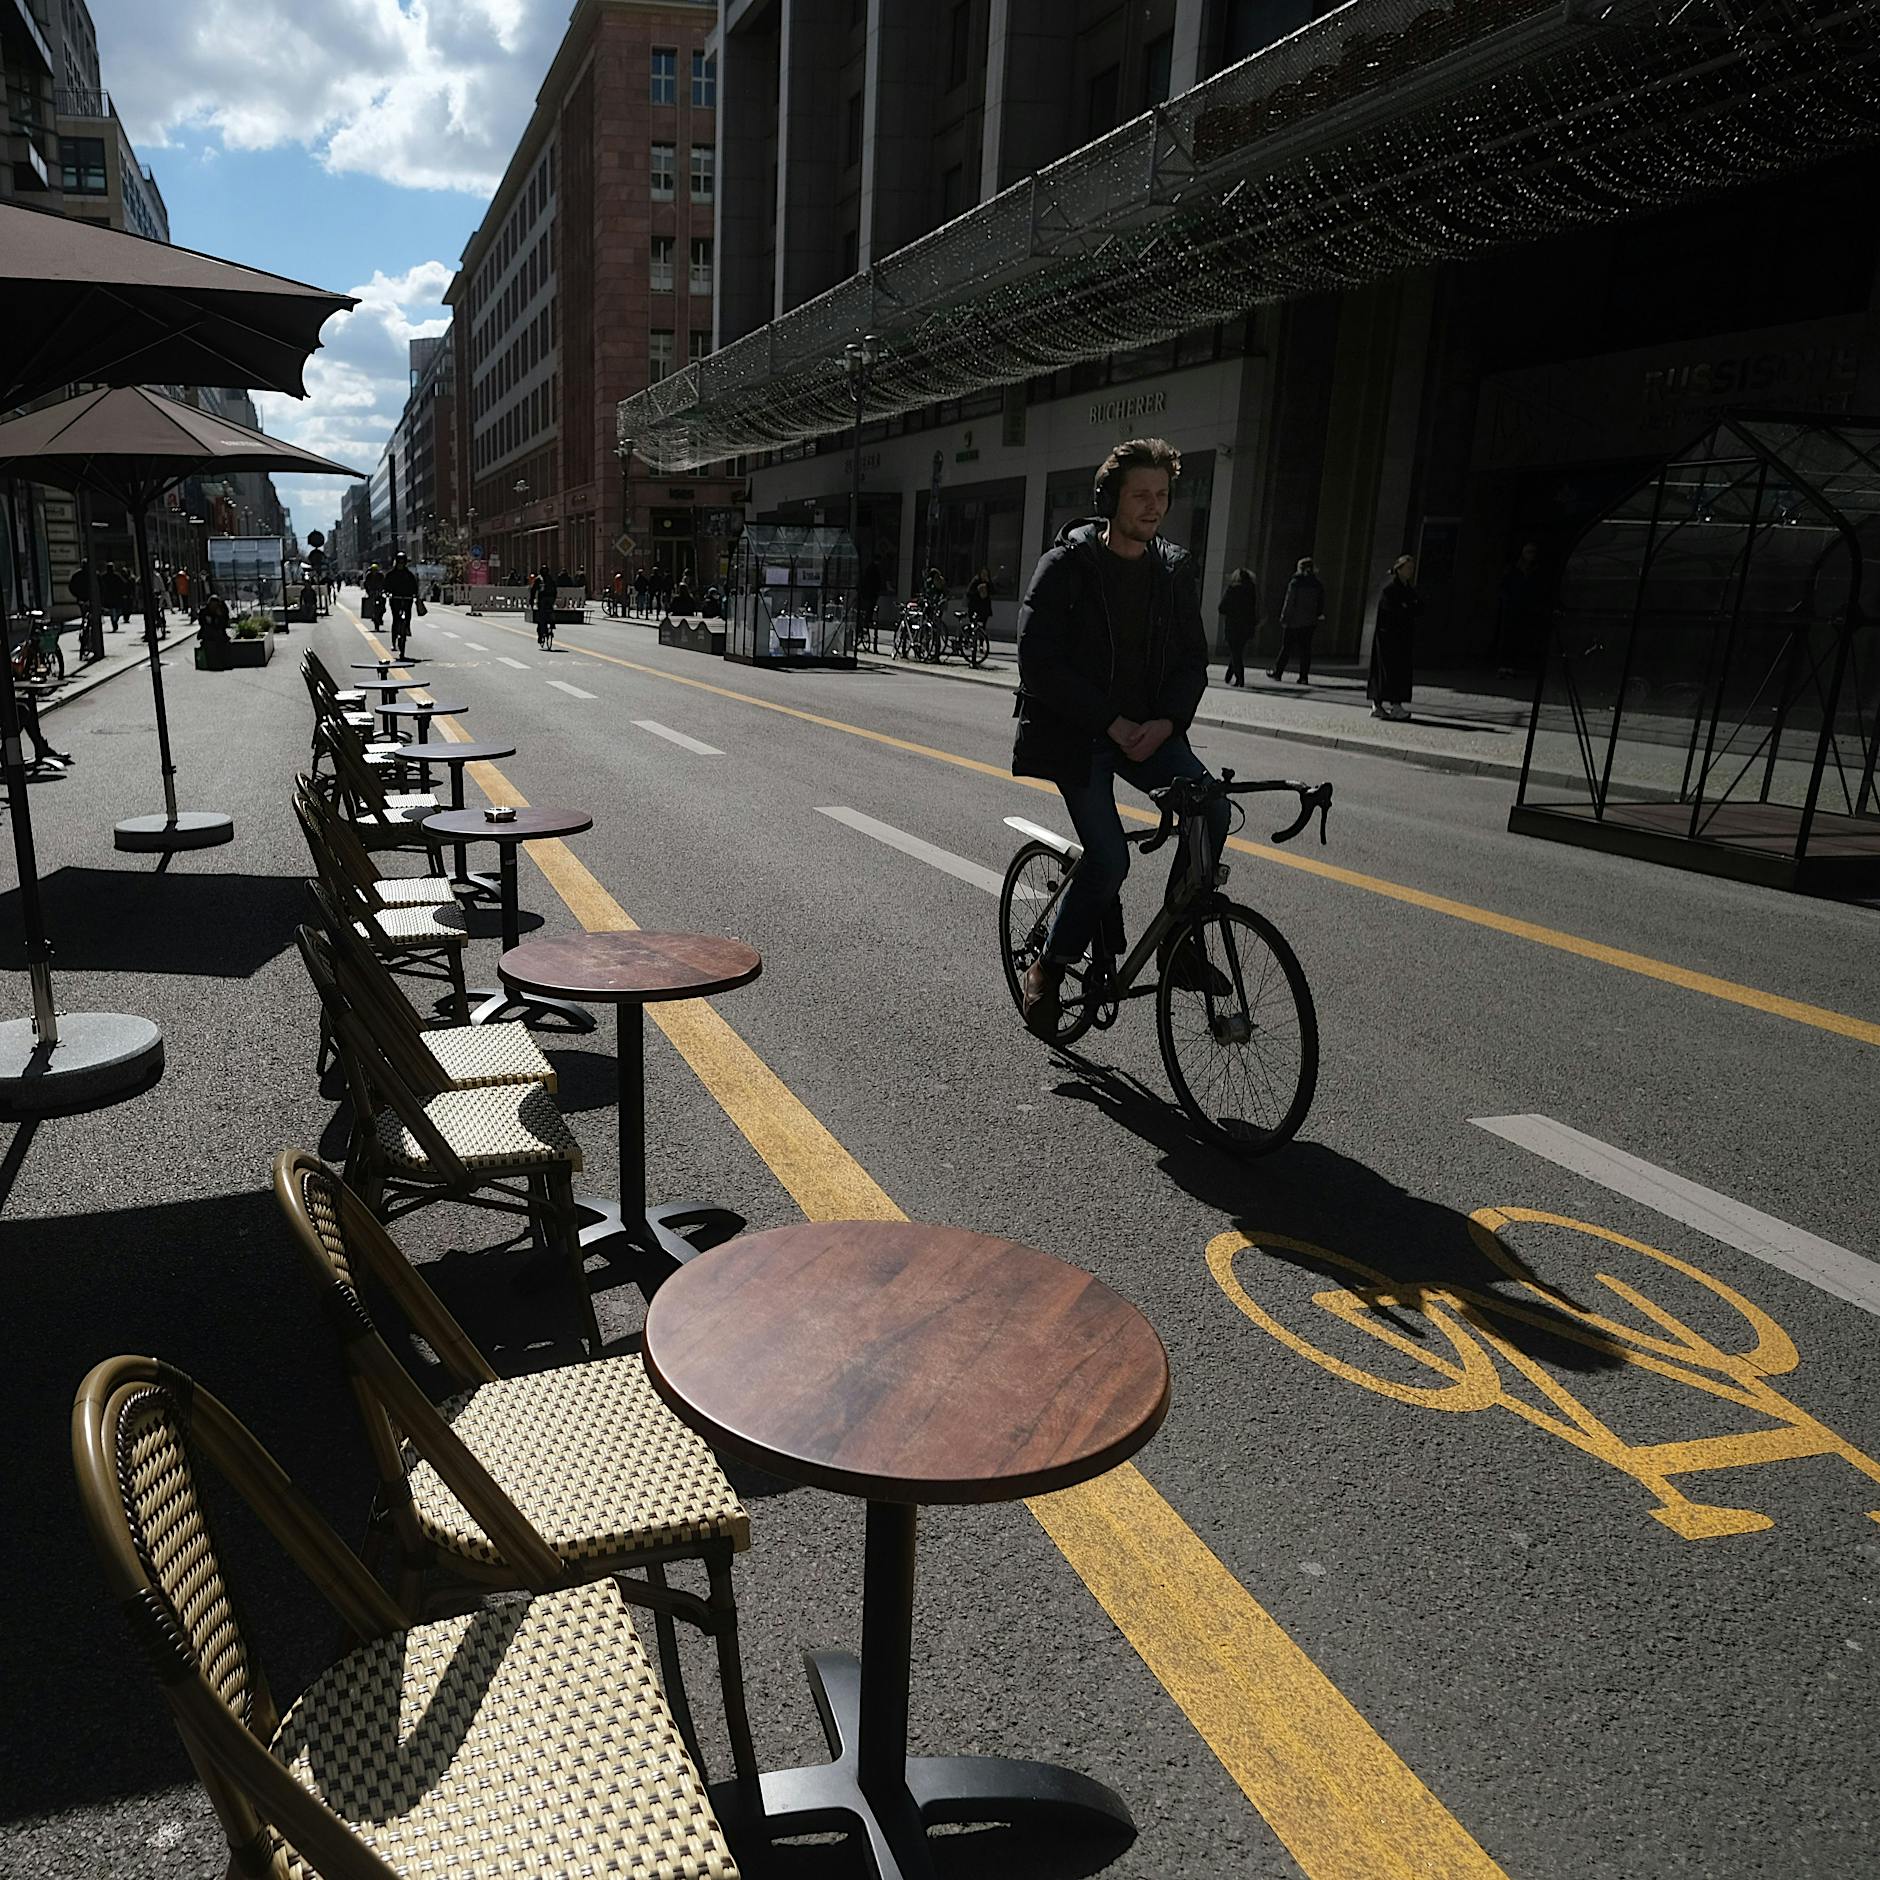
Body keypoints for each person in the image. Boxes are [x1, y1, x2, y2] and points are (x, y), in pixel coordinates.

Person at [1011, 436, 1226, 1035]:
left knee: (1212, 808)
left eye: (1162, 494)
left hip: (1148, 731)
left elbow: (1192, 661)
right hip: (1078, 734)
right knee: (1109, 859)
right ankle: (1049, 967)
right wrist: (1111, 721)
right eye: (1140, 495)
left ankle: (1179, 943)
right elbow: (1038, 662)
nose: (1154, 506)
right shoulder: (1067, 567)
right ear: (1109, 500)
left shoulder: (1173, 571)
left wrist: (1168, 722)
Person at [1368, 553, 1421, 720]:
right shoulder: (1391, 589)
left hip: (1401, 637)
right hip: (1389, 637)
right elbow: (1392, 612)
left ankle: (1382, 704)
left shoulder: (1408, 589)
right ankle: (1391, 705)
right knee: (1389, 671)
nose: (1410, 571)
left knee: (1393, 671)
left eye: (1412, 568)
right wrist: (1406, 608)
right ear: (1399, 569)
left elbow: (1416, 608)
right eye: (1408, 568)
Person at [1493, 540, 1544, 676]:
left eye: (1533, 552)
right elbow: (1503, 586)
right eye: (1528, 552)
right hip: (1511, 607)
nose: (1531, 555)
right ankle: (1503, 664)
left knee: (1520, 636)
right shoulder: (1513, 569)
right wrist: (1506, 600)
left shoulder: (1536, 571)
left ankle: (1514, 665)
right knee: (1507, 635)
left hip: (1526, 607)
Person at [1270, 556, 1324, 684]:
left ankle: (1278, 672)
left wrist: (1284, 617)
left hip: (1293, 621)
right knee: (1305, 650)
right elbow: (1320, 603)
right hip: (1309, 622)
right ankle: (1303, 677)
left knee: (1286, 648)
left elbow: (1289, 601)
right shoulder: (1317, 584)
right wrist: (1317, 615)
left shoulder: (1295, 582)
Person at [1218, 567, 1257, 686]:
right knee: (1237, 651)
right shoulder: (1251, 591)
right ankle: (1229, 674)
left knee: (1235, 652)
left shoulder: (1232, 590)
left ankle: (1240, 677)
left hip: (1233, 625)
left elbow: (1222, 608)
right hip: (1247, 626)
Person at [385, 551, 419, 654]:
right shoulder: (391, 574)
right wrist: (387, 593)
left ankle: (407, 627)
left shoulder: (409, 575)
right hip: (395, 599)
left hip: (407, 599)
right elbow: (386, 585)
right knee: (396, 619)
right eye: (399, 562)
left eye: (402, 562)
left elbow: (414, 586)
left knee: (408, 615)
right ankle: (393, 641)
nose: (400, 564)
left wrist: (415, 595)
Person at [195, 587, 232, 669]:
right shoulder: (204, 611)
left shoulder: (222, 611)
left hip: (219, 633)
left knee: (222, 641)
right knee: (211, 639)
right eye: (212, 604)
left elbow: (225, 624)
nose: (213, 606)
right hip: (207, 633)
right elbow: (202, 623)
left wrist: (220, 616)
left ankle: (222, 662)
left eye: (215, 604)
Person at [534, 565, 559, 649]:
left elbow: (533, 590)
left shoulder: (538, 579)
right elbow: (555, 590)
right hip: (550, 599)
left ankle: (541, 635)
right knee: (550, 610)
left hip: (542, 600)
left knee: (541, 617)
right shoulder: (551, 579)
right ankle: (552, 623)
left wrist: (531, 601)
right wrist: (554, 599)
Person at [362, 561, 387, 627]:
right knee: (370, 604)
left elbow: (384, 583)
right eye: (373, 570)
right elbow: (366, 584)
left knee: (383, 602)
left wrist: (383, 590)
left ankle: (381, 615)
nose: (374, 571)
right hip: (371, 592)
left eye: (375, 570)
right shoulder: (368, 575)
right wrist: (368, 591)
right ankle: (372, 614)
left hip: (379, 592)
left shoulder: (380, 575)